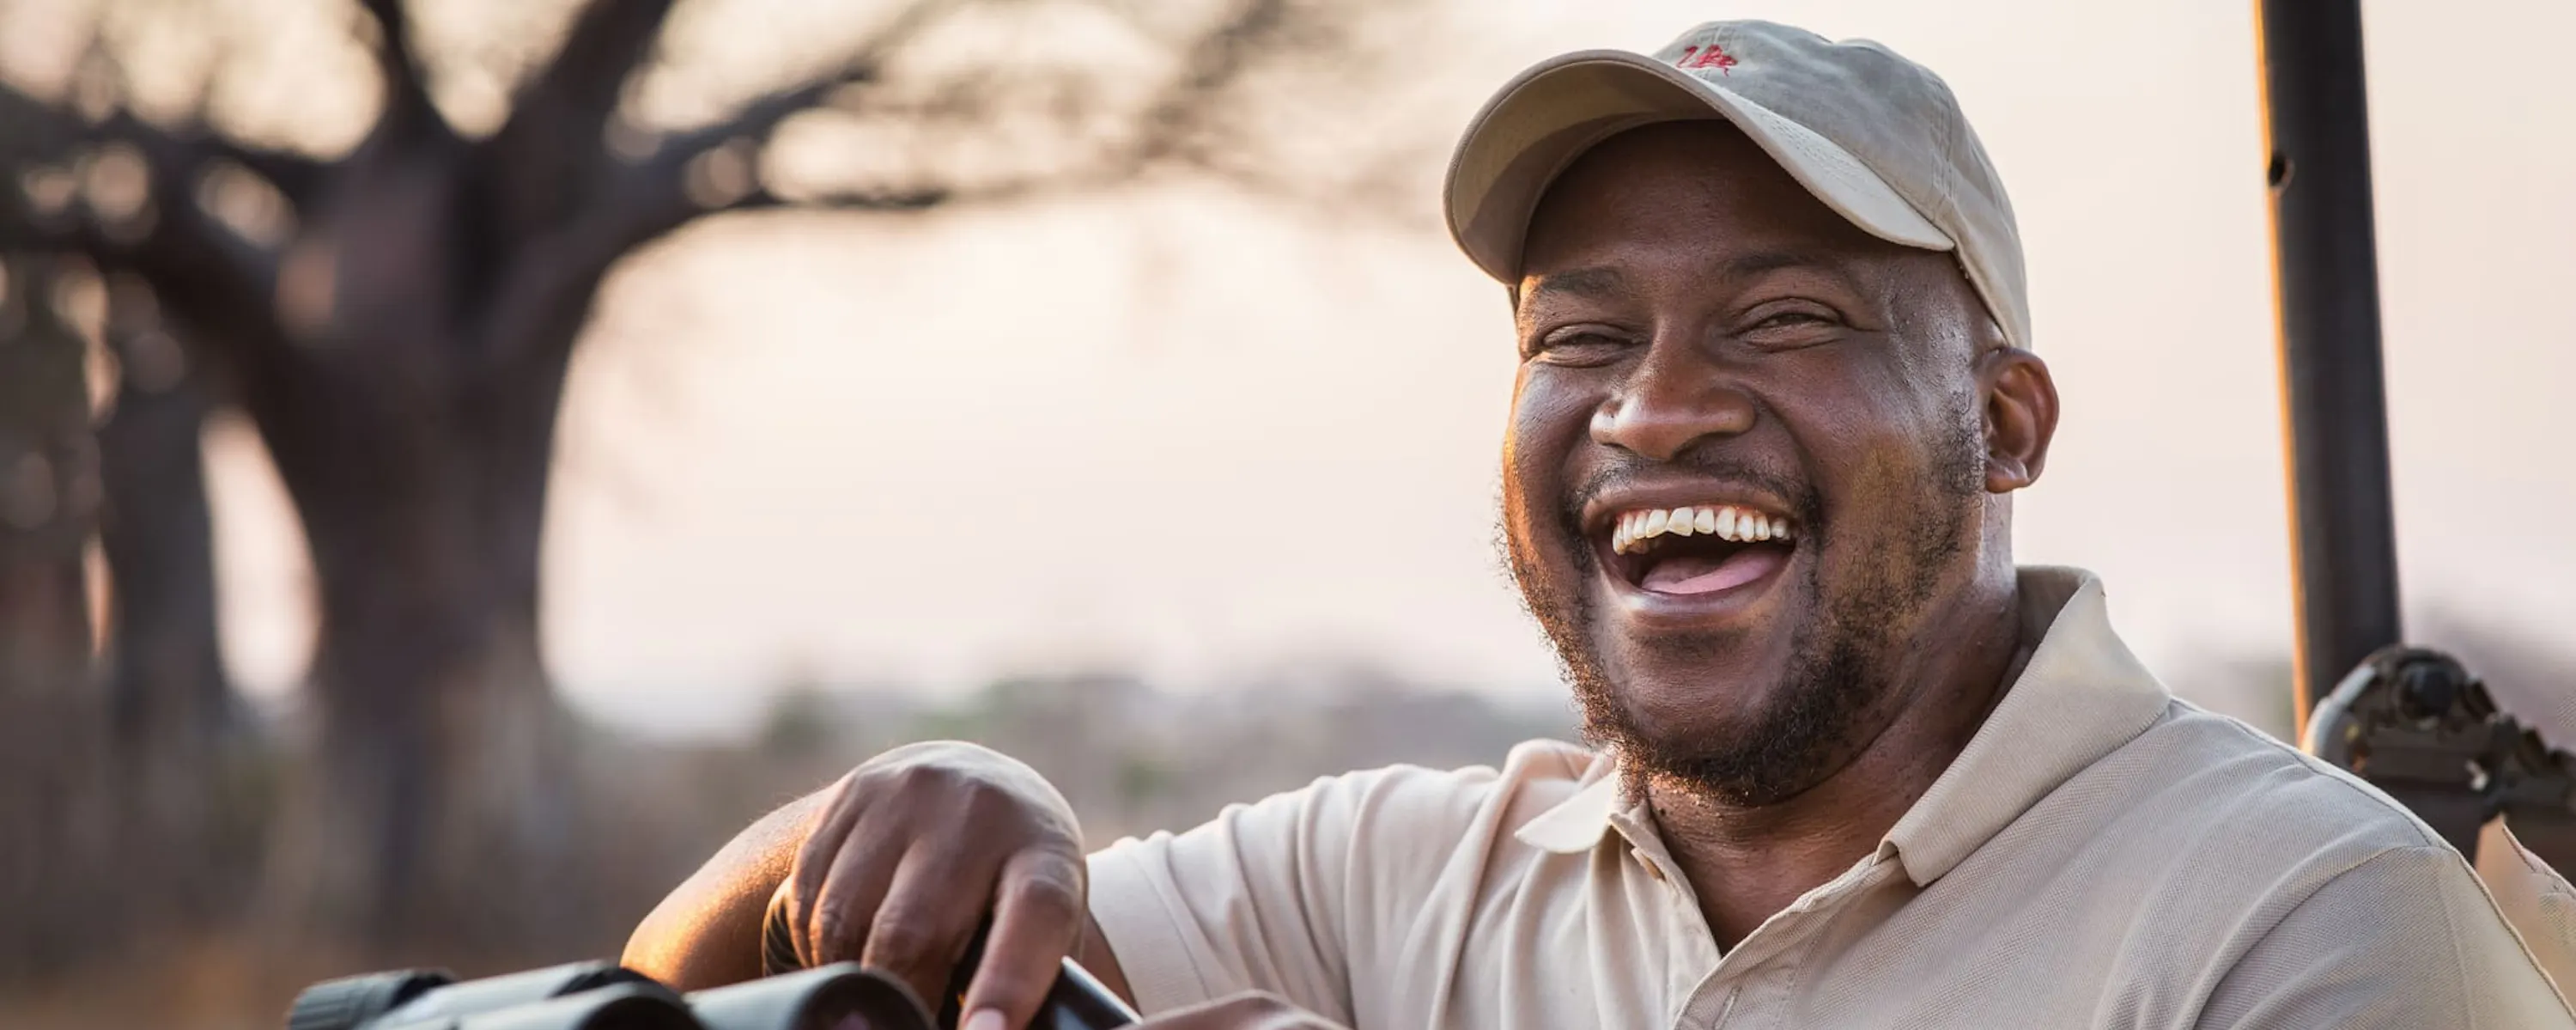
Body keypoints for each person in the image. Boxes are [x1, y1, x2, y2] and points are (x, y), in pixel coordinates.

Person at [623, 20, 2571, 1028]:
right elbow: (665, 996)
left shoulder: (2300, 918)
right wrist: (916, 812)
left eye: (1783, 317)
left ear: (2003, 426)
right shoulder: (1391, 881)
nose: (1654, 405)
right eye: (1581, 336)